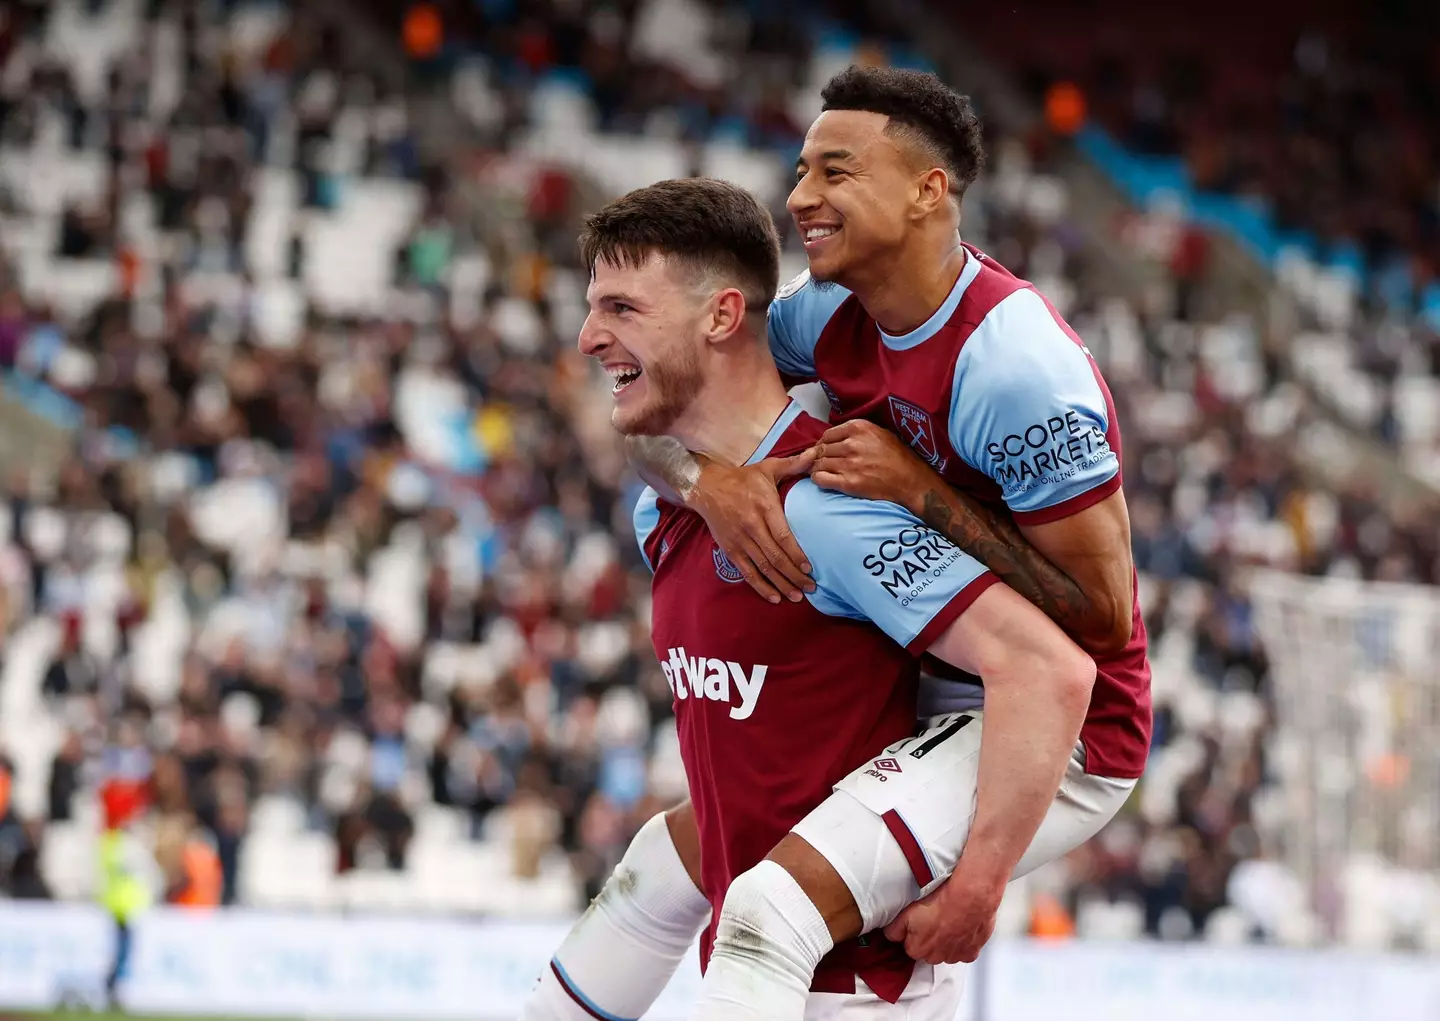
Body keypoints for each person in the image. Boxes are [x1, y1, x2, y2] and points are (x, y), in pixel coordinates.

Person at [624, 63, 1153, 994]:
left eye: (835, 171)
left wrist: (920, 492)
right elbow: (654, 398)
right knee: (672, 863)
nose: (799, 197)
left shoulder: (1015, 368)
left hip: (1057, 721)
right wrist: (706, 483)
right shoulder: (825, 313)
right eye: (799, 171)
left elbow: (1100, 623)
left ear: (927, 190)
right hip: (931, 679)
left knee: (765, 909)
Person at [522, 178, 1095, 1021]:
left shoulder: (830, 501)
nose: (586, 336)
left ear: (722, 317)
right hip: (760, 979)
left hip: (852, 990)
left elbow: (1048, 670)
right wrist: (697, 479)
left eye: (621, 308)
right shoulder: (667, 506)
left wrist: (979, 883)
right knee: (663, 849)